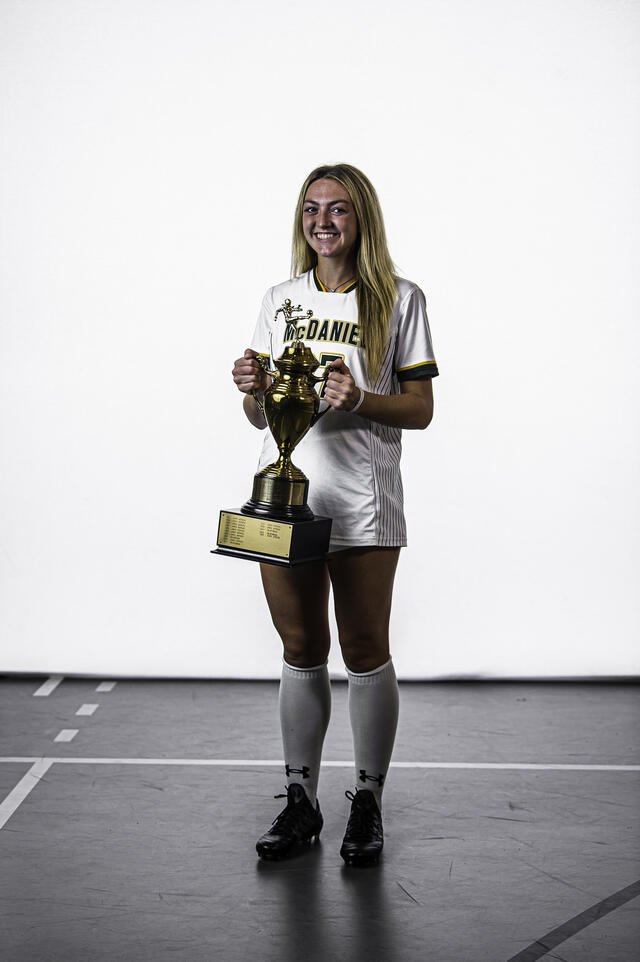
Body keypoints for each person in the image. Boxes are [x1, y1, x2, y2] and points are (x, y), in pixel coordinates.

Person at [231, 163, 438, 866]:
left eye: (339, 210)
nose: (323, 221)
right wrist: (251, 389)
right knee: (299, 648)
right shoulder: (279, 298)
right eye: (312, 209)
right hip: (288, 494)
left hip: (361, 497)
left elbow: (422, 409)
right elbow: (260, 413)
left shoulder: (398, 300)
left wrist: (359, 400)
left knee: (364, 648)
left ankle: (369, 802)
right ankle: (301, 802)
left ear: (361, 221)